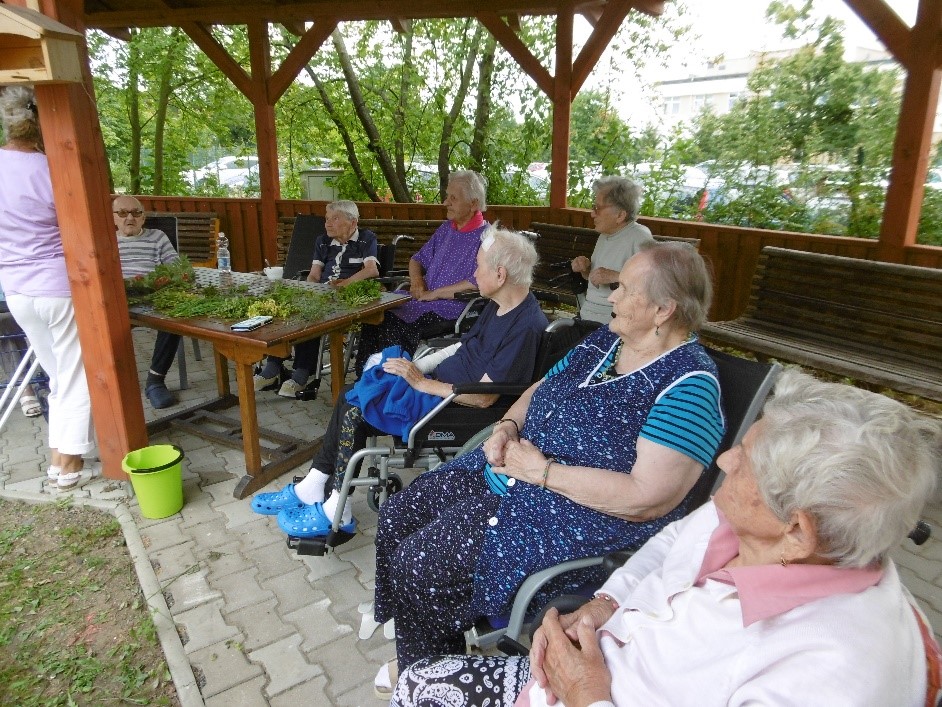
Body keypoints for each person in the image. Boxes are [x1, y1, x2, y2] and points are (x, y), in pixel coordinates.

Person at [391, 370, 941, 707]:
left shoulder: (831, 675)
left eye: (743, 462)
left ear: (798, 532)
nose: (723, 460)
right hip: (587, 668)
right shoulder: (744, 526)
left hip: (590, 692)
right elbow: (666, 544)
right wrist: (606, 602)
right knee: (419, 683)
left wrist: (588, 695)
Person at [370, 241, 726, 694]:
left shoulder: (688, 386)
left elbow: (647, 498)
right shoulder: (605, 341)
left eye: (624, 288)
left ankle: (426, 681)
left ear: (663, 310)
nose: (611, 296)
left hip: (569, 518)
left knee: (420, 564)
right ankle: (424, 656)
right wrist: (506, 427)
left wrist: (541, 472)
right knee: (400, 513)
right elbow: (538, 389)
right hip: (514, 474)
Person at [250, 227, 549, 539]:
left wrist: (420, 383)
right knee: (355, 393)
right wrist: (417, 366)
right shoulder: (498, 305)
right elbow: (463, 346)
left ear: (500, 274)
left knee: (357, 407)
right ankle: (314, 485)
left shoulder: (525, 327)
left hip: (455, 406)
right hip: (439, 386)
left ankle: (337, 508)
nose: (473, 273)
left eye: (478, 266)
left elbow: (484, 399)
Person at [0, 86, 96, 490]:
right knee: (78, 374)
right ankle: (70, 461)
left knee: (58, 374)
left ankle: (58, 456)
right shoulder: (53, 169)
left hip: (16, 290)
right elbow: (80, 227)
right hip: (58, 285)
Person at [353, 170, 489, 376]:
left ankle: (393, 380)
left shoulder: (487, 238)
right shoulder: (446, 229)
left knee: (391, 320)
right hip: (421, 300)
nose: (445, 202)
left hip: (453, 308)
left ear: (473, 204)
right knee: (375, 313)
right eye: (447, 196)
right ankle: (365, 376)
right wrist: (416, 280)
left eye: (453, 198)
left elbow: (477, 282)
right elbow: (417, 259)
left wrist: (435, 293)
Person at [253, 200, 379, 397]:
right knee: (284, 309)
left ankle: (303, 372)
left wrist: (344, 284)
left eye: (334, 219)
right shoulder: (323, 241)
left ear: (353, 222)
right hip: (321, 294)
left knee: (310, 316)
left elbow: (372, 270)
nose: (328, 224)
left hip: (347, 299)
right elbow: (313, 274)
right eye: (327, 219)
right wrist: (311, 290)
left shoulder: (366, 239)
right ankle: (273, 365)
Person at [113, 195, 183, 409]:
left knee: (176, 316)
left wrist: (161, 281)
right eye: (123, 213)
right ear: (114, 218)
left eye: (136, 212)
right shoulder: (106, 239)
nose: (129, 218)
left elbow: (176, 267)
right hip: (119, 299)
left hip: (155, 295)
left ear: (143, 217)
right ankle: (114, 385)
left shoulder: (157, 237)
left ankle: (155, 381)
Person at [571, 176, 654, 324]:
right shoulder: (605, 235)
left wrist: (616, 276)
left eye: (597, 208)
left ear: (620, 215)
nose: (592, 214)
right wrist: (585, 270)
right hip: (588, 315)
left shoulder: (639, 236)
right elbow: (598, 280)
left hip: (614, 322)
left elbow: (655, 282)